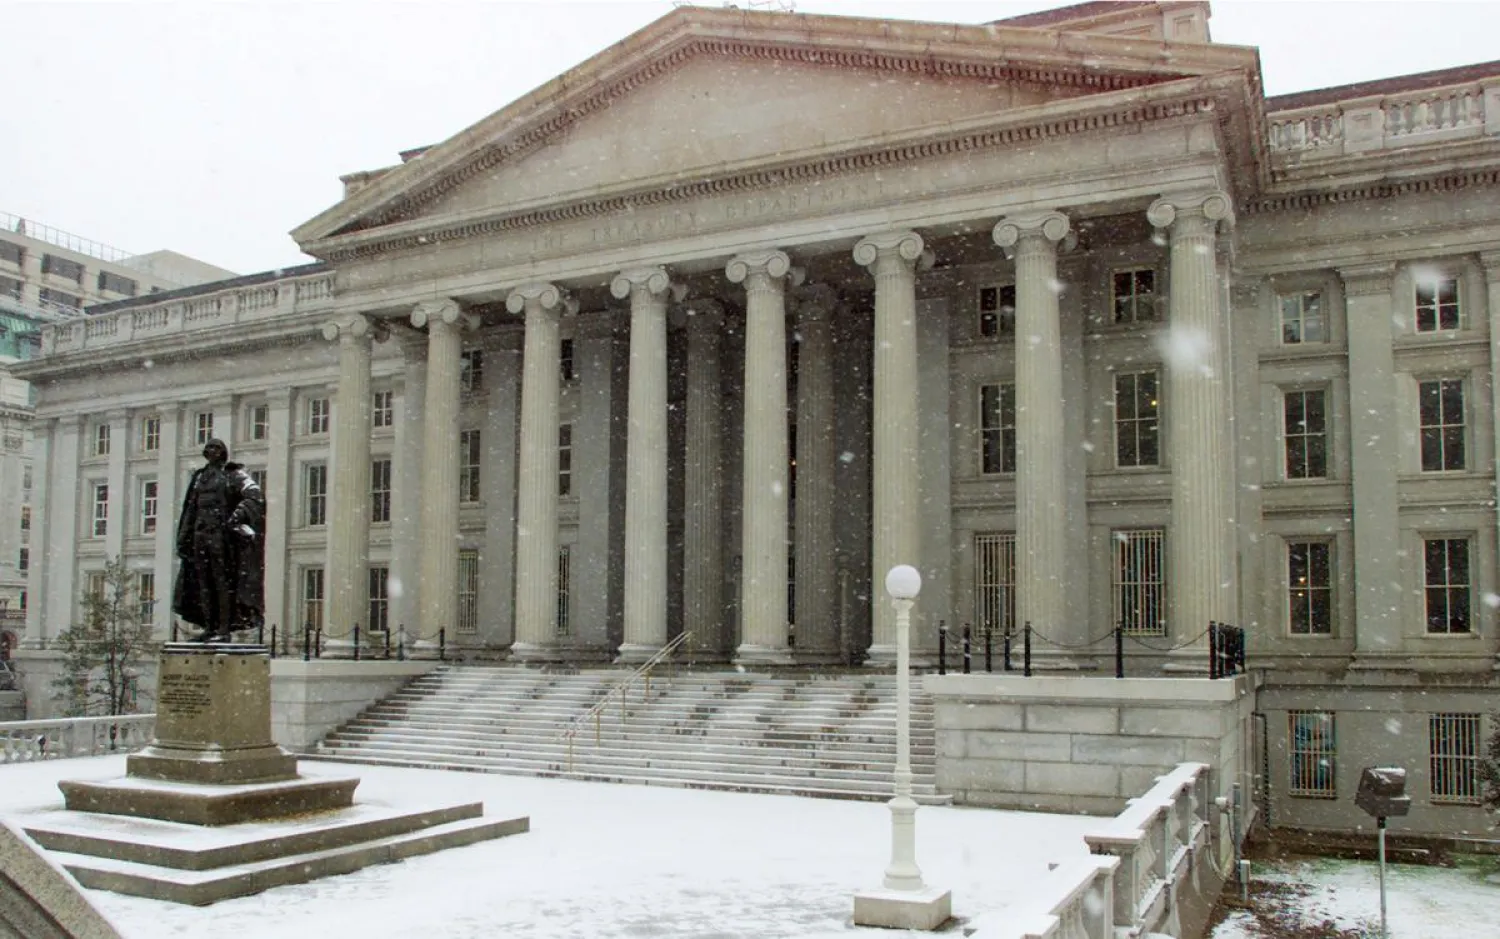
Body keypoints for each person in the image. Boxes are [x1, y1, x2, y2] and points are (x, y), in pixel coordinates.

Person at [172, 438, 265, 642]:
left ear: (223, 453)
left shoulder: (234, 474)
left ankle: (224, 629)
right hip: (200, 535)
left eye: (216, 448)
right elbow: (191, 509)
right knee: (202, 583)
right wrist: (183, 536)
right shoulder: (199, 477)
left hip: (220, 536)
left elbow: (254, 496)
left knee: (222, 583)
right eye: (208, 448)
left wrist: (237, 516)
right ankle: (210, 627)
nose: (211, 451)